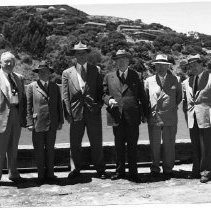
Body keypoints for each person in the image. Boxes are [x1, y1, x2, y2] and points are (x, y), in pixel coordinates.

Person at [103, 49, 150, 182]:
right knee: (118, 146)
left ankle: (133, 172)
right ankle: (120, 172)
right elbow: (104, 94)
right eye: (119, 59)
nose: (121, 61)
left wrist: (145, 114)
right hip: (116, 116)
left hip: (133, 116)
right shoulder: (108, 76)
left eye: (124, 59)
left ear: (128, 61)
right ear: (116, 62)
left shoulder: (137, 75)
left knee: (132, 146)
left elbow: (143, 97)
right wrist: (108, 100)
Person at [62, 41, 107, 179]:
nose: (81, 56)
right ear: (75, 55)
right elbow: (65, 95)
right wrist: (68, 113)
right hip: (75, 113)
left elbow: (101, 91)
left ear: (87, 54)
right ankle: (75, 168)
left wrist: (99, 105)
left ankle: (100, 169)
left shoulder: (96, 70)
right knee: (75, 143)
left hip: (93, 112)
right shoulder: (66, 73)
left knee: (97, 141)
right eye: (78, 53)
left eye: (83, 53)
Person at [145, 54, 182, 179]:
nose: (160, 67)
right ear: (155, 66)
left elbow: (178, 98)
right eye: (157, 65)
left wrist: (168, 108)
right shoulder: (148, 81)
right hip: (154, 117)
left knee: (169, 144)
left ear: (168, 66)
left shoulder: (176, 79)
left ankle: (168, 168)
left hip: (170, 117)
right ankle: (155, 168)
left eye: (163, 65)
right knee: (154, 144)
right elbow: (145, 99)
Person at [26, 61, 64, 184]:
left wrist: (60, 121)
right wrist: (29, 123)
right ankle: (41, 175)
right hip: (37, 123)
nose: (43, 73)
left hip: (52, 122)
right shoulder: (32, 86)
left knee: (50, 149)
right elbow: (28, 106)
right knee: (38, 150)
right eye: (41, 71)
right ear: (37, 73)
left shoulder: (55, 86)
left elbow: (59, 105)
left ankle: (50, 174)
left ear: (49, 73)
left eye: (46, 71)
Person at [183, 54, 211, 183]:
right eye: (190, 65)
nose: (192, 67)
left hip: (206, 118)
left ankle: (206, 171)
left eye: (195, 64)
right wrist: (187, 116)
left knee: (206, 146)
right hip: (192, 118)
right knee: (195, 145)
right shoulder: (186, 82)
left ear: (201, 64)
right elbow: (185, 103)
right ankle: (196, 170)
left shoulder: (210, 78)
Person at [0, 51, 26, 183]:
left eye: (12, 61)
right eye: (7, 61)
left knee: (13, 145)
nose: (10, 64)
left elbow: (24, 99)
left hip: (16, 113)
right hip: (1, 115)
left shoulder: (19, 78)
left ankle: (13, 172)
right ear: (1, 63)